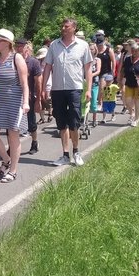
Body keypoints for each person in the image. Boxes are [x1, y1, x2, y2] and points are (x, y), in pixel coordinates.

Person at [42, 18, 92, 166]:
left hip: (75, 88)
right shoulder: (54, 45)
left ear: (74, 28)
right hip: (57, 89)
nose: (63, 28)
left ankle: (76, 152)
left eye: (66, 26)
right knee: (61, 123)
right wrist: (45, 87)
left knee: (74, 122)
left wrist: (88, 89)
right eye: (62, 26)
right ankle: (65, 154)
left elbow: (88, 69)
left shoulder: (83, 45)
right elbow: (47, 67)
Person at [0, 29, 29, 183]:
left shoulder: (17, 58)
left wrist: (26, 102)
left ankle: (13, 170)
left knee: (13, 136)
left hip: (14, 102)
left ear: (7, 43)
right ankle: (6, 159)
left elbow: (24, 83)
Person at [15, 38, 42, 154]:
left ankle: (34, 142)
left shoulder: (33, 62)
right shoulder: (13, 60)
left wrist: (38, 100)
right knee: (14, 123)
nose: (18, 48)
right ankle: (13, 146)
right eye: (17, 46)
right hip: (15, 97)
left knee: (31, 122)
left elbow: (38, 82)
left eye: (21, 46)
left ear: (26, 47)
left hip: (29, 97)